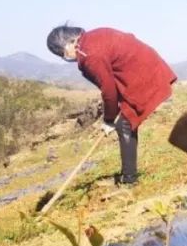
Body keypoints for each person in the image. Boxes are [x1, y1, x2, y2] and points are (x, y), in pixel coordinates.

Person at [46, 25, 177, 186]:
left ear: (68, 43)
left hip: (143, 76)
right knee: (126, 122)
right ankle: (128, 175)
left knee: (124, 125)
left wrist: (108, 120)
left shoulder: (89, 54)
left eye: (62, 54)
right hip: (148, 67)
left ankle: (129, 180)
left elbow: (108, 91)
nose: (66, 57)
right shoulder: (93, 37)